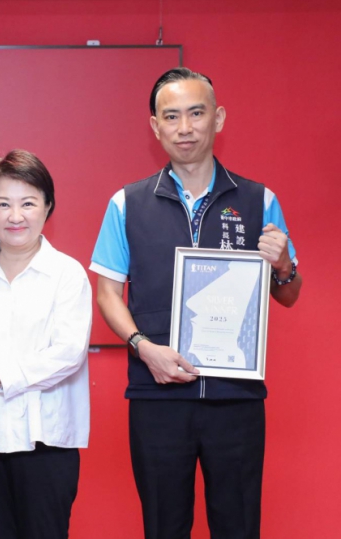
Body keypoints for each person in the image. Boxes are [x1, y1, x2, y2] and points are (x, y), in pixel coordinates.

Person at [90, 67, 302, 539]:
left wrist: (284, 263)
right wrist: (143, 347)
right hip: (157, 394)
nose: (184, 127)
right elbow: (107, 293)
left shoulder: (259, 199)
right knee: (164, 526)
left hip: (236, 398)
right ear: (155, 126)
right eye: (171, 116)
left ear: (218, 118)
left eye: (196, 113)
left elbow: (287, 293)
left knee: (238, 525)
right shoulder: (127, 204)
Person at [0, 149, 92, 539]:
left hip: (44, 439)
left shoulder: (67, 274)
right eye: (3, 204)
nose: (16, 216)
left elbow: (68, 353)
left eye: (28, 203)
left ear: (48, 206)